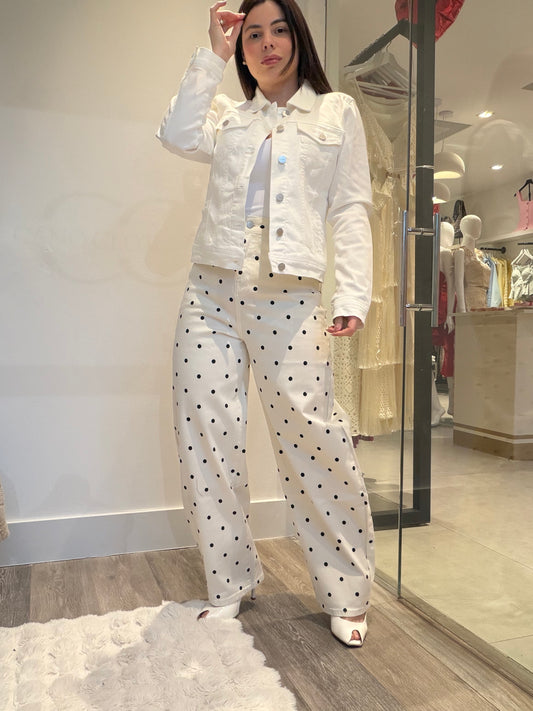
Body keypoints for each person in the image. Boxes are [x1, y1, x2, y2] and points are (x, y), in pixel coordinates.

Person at [157, 0, 375, 647]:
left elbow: (350, 206)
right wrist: (213, 54)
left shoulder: (335, 112)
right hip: (210, 291)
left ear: (298, 37)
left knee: (313, 435)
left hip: (290, 294)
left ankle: (346, 589)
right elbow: (175, 133)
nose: (267, 42)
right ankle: (229, 580)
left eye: (278, 29)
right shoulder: (231, 117)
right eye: (253, 34)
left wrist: (352, 293)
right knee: (207, 434)